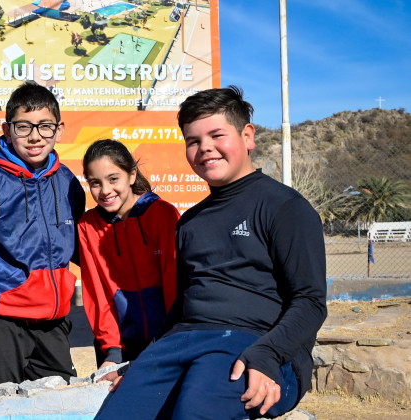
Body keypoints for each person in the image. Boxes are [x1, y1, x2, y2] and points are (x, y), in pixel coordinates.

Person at [96, 86, 327, 419]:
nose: (205, 148)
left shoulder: (285, 207)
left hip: (252, 344)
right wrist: (147, 361)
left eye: (217, 135)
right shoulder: (189, 222)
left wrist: (268, 355)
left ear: (248, 136)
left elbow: (310, 301)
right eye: (193, 141)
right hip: (182, 342)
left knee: (194, 413)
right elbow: (183, 306)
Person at [0, 81, 86, 387]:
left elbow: (79, 246)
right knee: (0, 408)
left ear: (59, 130)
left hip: (54, 323)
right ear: (7, 130)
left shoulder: (67, 183)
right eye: (23, 126)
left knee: (57, 407)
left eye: (45, 126)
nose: (35, 136)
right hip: (2, 321)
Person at [78, 139, 179, 368]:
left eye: (113, 179)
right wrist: (112, 350)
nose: (105, 191)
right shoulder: (87, 226)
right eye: (95, 183)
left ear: (132, 175)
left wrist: (171, 337)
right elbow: (97, 292)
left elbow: (175, 281)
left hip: (167, 342)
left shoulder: (162, 214)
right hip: (116, 348)